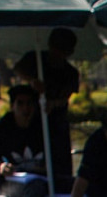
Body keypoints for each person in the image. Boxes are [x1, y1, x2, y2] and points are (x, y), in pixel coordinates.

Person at [13, 27, 80, 183]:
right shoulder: (34, 59)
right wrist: (32, 81)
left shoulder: (70, 73)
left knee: (60, 160)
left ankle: (62, 187)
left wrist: (53, 104)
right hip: (31, 121)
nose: (58, 55)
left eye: (63, 51)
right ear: (50, 46)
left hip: (57, 123)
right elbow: (17, 69)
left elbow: (66, 97)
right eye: (56, 49)